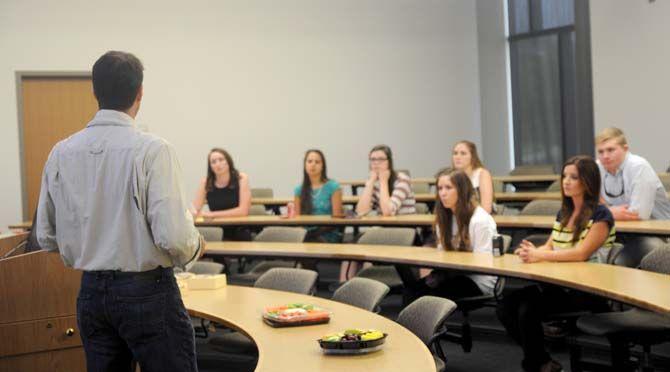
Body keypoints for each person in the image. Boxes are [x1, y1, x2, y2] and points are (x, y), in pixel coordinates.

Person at [35, 51, 203, 372]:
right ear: (140, 92)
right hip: (147, 291)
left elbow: (45, 236)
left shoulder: (61, 152)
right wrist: (195, 247)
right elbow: (174, 238)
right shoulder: (154, 151)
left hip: (91, 293)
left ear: (94, 91)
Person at [496, 155, 615, 372]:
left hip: (587, 290)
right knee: (506, 306)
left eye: (573, 177)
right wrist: (529, 252)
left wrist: (539, 255)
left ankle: (536, 364)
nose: (566, 181)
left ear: (587, 181)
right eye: (564, 176)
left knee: (527, 310)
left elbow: (580, 253)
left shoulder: (601, 215)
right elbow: (550, 247)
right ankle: (541, 361)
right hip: (561, 285)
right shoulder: (564, 212)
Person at [406, 168, 497, 301]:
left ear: (462, 190)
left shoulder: (480, 220)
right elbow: (444, 254)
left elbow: (483, 263)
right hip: (451, 274)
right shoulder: (444, 218)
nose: (443, 193)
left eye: (448, 188)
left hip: (478, 280)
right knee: (411, 292)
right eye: (440, 188)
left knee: (428, 297)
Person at [595, 127, 670, 220]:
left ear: (625, 149)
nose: (605, 156)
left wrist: (606, 212)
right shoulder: (597, 167)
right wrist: (609, 212)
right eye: (600, 152)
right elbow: (587, 207)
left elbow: (638, 215)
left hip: (657, 230)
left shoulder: (639, 166)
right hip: (617, 227)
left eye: (610, 150)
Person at [191, 148, 252, 240]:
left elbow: (243, 211)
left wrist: (211, 214)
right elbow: (195, 210)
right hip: (216, 228)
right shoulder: (206, 182)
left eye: (221, 160)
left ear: (228, 161)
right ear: (210, 166)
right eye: (213, 162)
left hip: (239, 227)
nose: (218, 164)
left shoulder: (241, 178)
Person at [293, 149, 343, 243]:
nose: (313, 165)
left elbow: (337, 219)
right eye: (309, 161)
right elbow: (298, 221)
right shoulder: (298, 190)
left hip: (327, 233)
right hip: (305, 234)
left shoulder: (333, 187)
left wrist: (314, 234)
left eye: (317, 162)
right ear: (305, 165)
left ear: (322, 166)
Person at [355, 144, 416, 216]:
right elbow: (361, 211)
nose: (376, 163)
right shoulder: (374, 182)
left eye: (381, 159)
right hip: (383, 225)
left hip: (406, 225)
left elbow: (388, 212)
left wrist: (383, 181)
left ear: (389, 162)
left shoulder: (402, 180)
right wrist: (371, 182)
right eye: (373, 159)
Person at [451, 140, 495, 214]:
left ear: (472, 156)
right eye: (455, 153)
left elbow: (486, 209)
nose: (458, 157)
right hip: (461, 217)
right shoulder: (451, 175)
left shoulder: (482, 174)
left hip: (483, 218)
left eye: (463, 153)